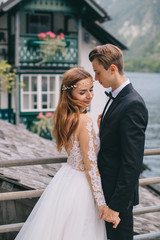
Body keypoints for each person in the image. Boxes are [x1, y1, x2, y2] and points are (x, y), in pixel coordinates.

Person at [14, 67, 119, 240]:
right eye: (82, 92)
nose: (89, 96)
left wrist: (97, 134)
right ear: (70, 95)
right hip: (81, 187)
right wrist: (102, 205)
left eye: (91, 90)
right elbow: (91, 167)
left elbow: (81, 148)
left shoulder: (65, 117)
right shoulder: (84, 120)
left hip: (65, 180)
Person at [89, 44, 148, 240]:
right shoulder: (115, 97)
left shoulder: (133, 104)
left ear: (112, 69)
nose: (96, 79)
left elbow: (132, 163)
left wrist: (115, 207)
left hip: (117, 200)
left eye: (98, 73)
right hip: (105, 193)